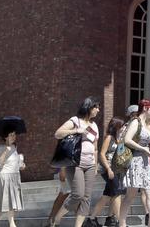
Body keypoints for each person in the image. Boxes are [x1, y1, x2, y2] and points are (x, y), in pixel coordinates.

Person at [51, 97, 101, 227]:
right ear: (89, 107)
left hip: (90, 165)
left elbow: (95, 148)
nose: (98, 110)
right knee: (77, 195)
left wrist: (95, 166)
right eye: (96, 107)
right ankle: (57, 218)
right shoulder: (75, 121)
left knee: (86, 198)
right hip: (75, 163)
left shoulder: (94, 125)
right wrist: (76, 130)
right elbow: (58, 133)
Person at [117, 98, 150, 227]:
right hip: (135, 161)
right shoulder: (135, 122)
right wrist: (143, 148)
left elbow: (142, 139)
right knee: (130, 196)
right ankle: (122, 223)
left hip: (145, 162)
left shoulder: (146, 123)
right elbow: (127, 140)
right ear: (145, 108)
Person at [89, 117, 126, 227]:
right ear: (117, 127)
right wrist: (109, 169)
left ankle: (91, 219)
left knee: (107, 195)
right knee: (117, 193)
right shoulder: (109, 137)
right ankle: (121, 222)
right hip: (108, 169)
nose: (124, 128)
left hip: (117, 169)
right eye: (122, 126)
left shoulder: (119, 139)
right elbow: (101, 154)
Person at [0, 126, 24, 227]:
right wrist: (6, 151)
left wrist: (22, 164)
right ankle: (12, 224)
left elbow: (17, 165)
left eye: (14, 134)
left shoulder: (15, 148)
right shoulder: (0, 148)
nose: (14, 137)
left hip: (15, 178)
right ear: (5, 137)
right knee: (9, 202)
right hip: (4, 177)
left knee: (3, 204)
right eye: (11, 135)